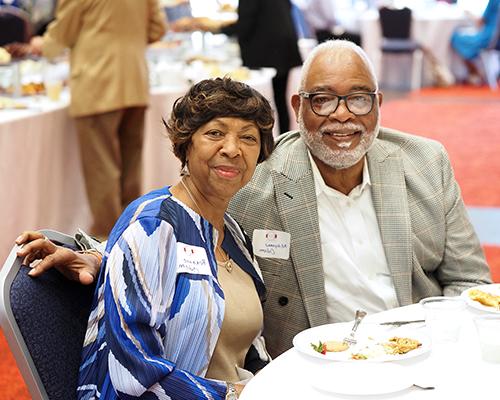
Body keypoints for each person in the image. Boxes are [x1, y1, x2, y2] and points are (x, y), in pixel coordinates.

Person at [17, 40, 492, 361]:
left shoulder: (425, 163)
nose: (342, 117)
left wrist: (436, 348)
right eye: (323, 99)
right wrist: (103, 257)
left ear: (379, 104)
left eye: (359, 100)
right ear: (298, 106)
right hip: (317, 369)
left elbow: (471, 281)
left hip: (418, 354)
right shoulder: (254, 178)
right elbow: (184, 228)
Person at [21, 77, 275, 399]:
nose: (232, 149)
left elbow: (251, 346)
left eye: (248, 138)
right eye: (215, 133)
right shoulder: (153, 226)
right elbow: (132, 374)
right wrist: (234, 394)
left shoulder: (232, 232)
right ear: (186, 143)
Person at [26, 0, 167, 239]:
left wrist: (43, 44)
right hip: (134, 80)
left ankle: (106, 240)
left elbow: (63, 32)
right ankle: (135, 236)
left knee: (102, 169)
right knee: (130, 168)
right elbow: (157, 28)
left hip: (96, 84)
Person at [174, 0, 303, 134]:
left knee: (260, 106)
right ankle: (281, 139)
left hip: (266, 52)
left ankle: (265, 144)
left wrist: (216, 28)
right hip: (283, 45)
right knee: (280, 100)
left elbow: (244, 26)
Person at [451, 0, 500, 84]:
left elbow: (480, 22)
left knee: (455, 38)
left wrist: (469, 14)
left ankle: (473, 72)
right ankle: (474, 73)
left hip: (488, 39)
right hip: (497, 40)